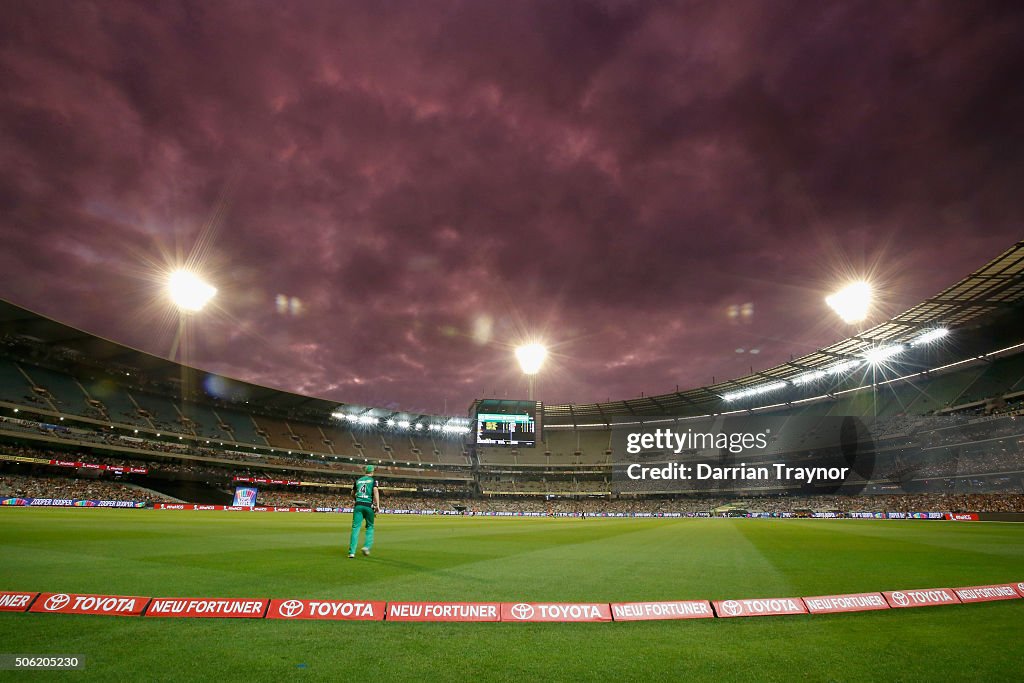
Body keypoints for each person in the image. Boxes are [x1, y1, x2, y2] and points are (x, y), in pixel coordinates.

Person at [348, 464, 380, 558]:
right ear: (372, 472)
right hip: (368, 506)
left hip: (358, 505)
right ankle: (366, 546)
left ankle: (352, 552)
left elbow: (352, 494)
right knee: (370, 526)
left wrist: (357, 500)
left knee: (355, 528)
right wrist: (377, 505)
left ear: (365, 471)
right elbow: (375, 491)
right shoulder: (374, 481)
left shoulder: (358, 480)